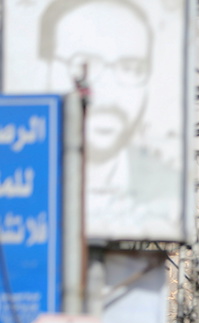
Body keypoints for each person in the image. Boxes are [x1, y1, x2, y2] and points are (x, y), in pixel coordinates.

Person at [33, 0, 182, 241]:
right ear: (47, 67)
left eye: (131, 69)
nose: (109, 93)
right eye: (83, 66)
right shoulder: (20, 181)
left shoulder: (166, 193)